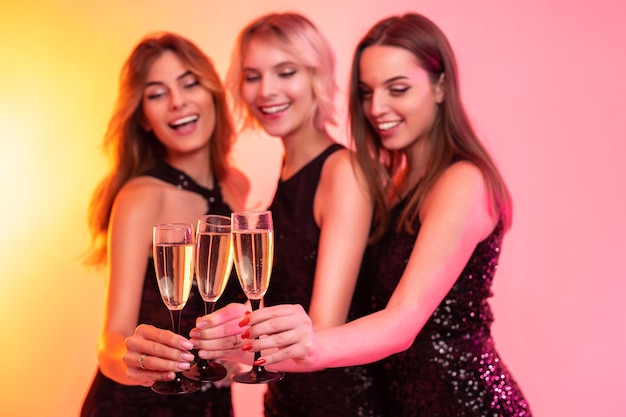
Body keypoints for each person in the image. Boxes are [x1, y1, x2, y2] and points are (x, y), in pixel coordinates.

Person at [193, 12, 533, 417]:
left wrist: (270, 349)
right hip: (400, 404)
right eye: (367, 91)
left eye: (398, 88)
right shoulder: (393, 181)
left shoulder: (463, 181)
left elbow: (402, 323)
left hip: (464, 404)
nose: (377, 107)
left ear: (441, 86)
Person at [125, 12, 379, 417]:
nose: (267, 91)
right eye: (253, 75)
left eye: (285, 71)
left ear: (316, 75)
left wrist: (229, 350)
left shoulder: (342, 172)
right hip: (286, 403)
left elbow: (320, 334)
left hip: (334, 403)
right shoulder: (281, 178)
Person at [80, 32, 249, 417]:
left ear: (212, 93)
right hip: (141, 405)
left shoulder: (237, 186)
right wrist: (135, 360)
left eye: (189, 83)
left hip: (213, 404)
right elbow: (111, 339)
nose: (178, 102)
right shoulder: (141, 196)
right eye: (157, 93)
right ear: (143, 116)